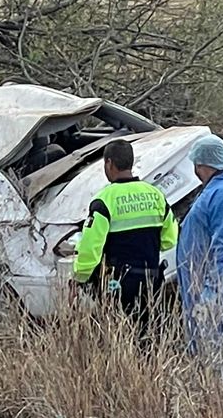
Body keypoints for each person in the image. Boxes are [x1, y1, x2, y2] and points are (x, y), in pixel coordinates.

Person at [72, 138, 178, 346]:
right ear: (131, 162)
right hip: (152, 281)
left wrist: (79, 278)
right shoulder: (156, 195)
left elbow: (90, 250)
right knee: (147, 339)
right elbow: (169, 239)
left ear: (109, 163)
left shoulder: (104, 201)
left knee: (120, 340)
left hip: (118, 285)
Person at [176, 135, 223, 387]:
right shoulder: (217, 190)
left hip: (214, 287)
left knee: (217, 347)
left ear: (202, 164)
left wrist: (212, 293)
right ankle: (209, 399)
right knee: (205, 348)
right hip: (202, 285)